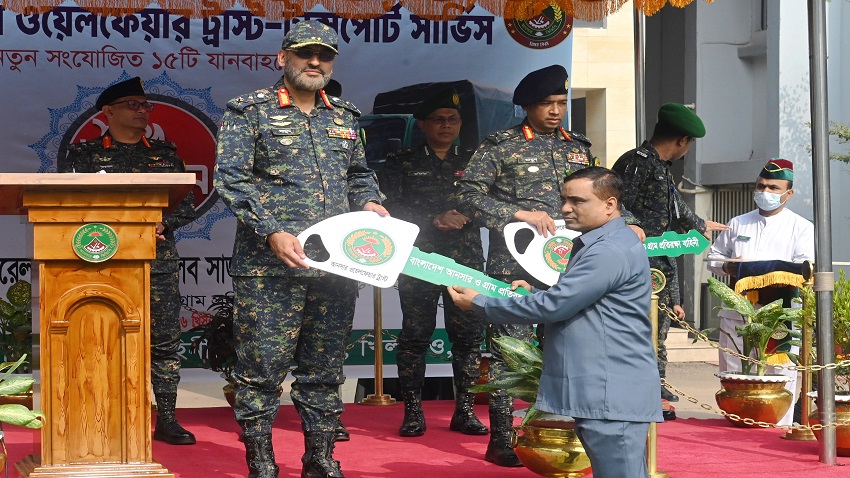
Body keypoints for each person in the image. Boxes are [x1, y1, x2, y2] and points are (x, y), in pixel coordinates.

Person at [214, 21, 387, 478]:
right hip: (269, 267)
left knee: (324, 370)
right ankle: (261, 462)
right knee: (261, 372)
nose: (315, 62)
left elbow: (359, 175)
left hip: (335, 266)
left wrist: (369, 203)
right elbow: (231, 179)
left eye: (324, 55)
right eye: (305, 53)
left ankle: (320, 458)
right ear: (282, 58)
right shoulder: (250, 111)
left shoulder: (345, 116)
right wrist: (271, 230)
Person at [457, 64, 644, 467]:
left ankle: (559, 434)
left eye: (561, 102)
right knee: (510, 354)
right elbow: (467, 195)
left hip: (570, 266)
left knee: (565, 350)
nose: (556, 111)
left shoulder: (577, 146)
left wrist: (628, 222)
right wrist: (516, 213)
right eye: (547, 103)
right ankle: (503, 439)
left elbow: (601, 191)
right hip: (515, 266)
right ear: (527, 106)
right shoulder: (501, 145)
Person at [449, 166, 663, 478]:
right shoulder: (607, 242)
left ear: (610, 204)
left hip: (609, 390)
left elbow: (556, 306)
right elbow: (581, 302)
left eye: (578, 201)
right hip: (608, 388)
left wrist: (479, 302)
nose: (565, 208)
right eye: (564, 199)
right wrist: (534, 293)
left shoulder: (608, 250)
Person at [58, 77, 198, 445]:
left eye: (145, 105)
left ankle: (167, 419)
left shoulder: (166, 154)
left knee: (164, 340)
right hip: (102, 258)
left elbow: (187, 201)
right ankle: (101, 414)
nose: (142, 111)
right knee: (102, 334)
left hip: (156, 258)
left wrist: (164, 224)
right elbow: (68, 202)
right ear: (108, 112)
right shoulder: (84, 155)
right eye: (132, 104)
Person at [380, 88, 488, 438]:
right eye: (438, 120)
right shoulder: (401, 162)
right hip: (419, 260)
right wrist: (433, 218)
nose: (446, 125)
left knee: (468, 338)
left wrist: (466, 215)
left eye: (452, 119)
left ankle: (465, 412)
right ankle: (413, 412)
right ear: (423, 125)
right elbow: (389, 208)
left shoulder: (476, 161)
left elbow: (490, 203)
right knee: (415, 336)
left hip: (465, 262)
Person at [611, 103, 728, 403]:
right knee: (633, 328)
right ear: (682, 141)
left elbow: (675, 208)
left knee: (658, 329)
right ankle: (632, 386)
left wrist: (699, 224)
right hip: (633, 262)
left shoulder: (660, 168)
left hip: (659, 263)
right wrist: (631, 224)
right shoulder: (636, 163)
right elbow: (615, 203)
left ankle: (655, 383)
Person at [706, 158, 813, 426]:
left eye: (773, 188)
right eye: (761, 186)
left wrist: (767, 273)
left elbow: (805, 268)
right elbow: (714, 257)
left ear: (789, 193)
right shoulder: (738, 223)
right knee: (736, 370)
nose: (765, 192)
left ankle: (778, 427)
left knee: (779, 373)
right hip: (738, 311)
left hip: (780, 315)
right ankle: (737, 426)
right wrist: (729, 267)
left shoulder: (801, 227)